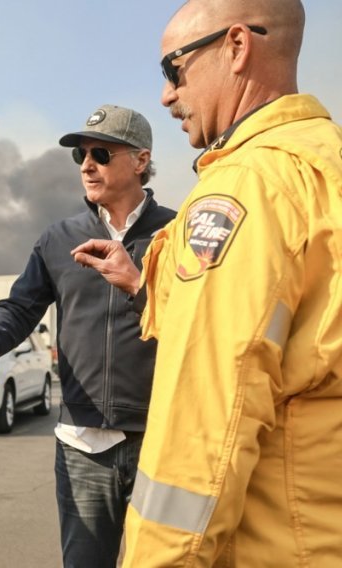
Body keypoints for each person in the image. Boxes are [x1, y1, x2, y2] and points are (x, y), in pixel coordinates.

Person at [73, 1, 342, 565]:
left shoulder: (245, 187)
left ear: (237, 47)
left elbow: (207, 419)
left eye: (173, 70)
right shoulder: (324, 164)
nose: (168, 95)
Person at [0, 105, 175, 567]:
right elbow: (19, 306)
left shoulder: (178, 231)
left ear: (141, 160)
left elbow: (204, 320)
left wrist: (140, 285)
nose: (87, 165)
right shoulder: (58, 239)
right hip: (82, 447)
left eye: (101, 153)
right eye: (80, 156)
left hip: (166, 440)